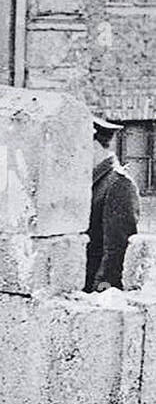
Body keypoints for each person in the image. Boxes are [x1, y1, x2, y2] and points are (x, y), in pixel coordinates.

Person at [86, 115, 140, 293]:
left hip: (97, 290)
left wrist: (101, 291)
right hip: (81, 284)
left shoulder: (118, 184)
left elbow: (116, 250)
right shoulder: (93, 180)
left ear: (92, 143)